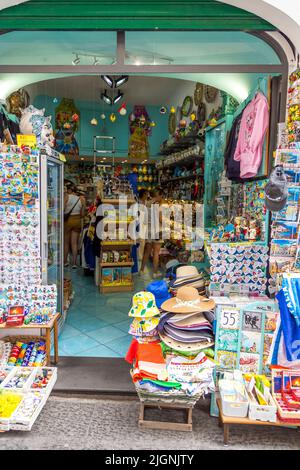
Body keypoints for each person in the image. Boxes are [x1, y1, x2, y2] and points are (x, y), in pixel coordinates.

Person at [140, 188, 166, 279]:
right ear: (157, 195)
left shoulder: (147, 204)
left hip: (149, 230)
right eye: (161, 195)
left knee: (146, 252)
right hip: (157, 231)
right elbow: (160, 219)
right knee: (156, 252)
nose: (161, 197)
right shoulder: (159, 206)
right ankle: (155, 272)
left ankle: (141, 270)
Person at [64, 184, 86, 268]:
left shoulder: (66, 197)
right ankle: (74, 263)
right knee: (74, 243)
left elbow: (62, 209)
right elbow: (82, 214)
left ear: (69, 190)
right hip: (77, 221)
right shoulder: (81, 199)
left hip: (68, 221)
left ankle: (65, 262)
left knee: (66, 243)